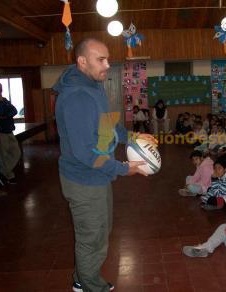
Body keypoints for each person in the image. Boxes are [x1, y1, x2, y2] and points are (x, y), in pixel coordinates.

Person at [53, 38, 157, 292]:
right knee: (92, 238)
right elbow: (86, 153)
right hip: (84, 180)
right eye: (101, 59)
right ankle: (89, 286)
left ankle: (82, 278)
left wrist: (133, 136)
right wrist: (124, 168)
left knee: (100, 231)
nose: (107, 64)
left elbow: (108, 126)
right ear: (82, 61)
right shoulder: (76, 97)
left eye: (107, 58)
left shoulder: (94, 87)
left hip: (97, 177)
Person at [0, 82, 21, 184]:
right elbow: (2, 112)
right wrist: (4, 114)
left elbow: (14, 111)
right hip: (1, 133)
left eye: (1, 89)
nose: (0, 92)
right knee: (3, 155)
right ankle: (8, 176)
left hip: (9, 130)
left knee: (16, 153)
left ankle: (2, 173)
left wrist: (3, 116)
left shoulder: (4, 100)